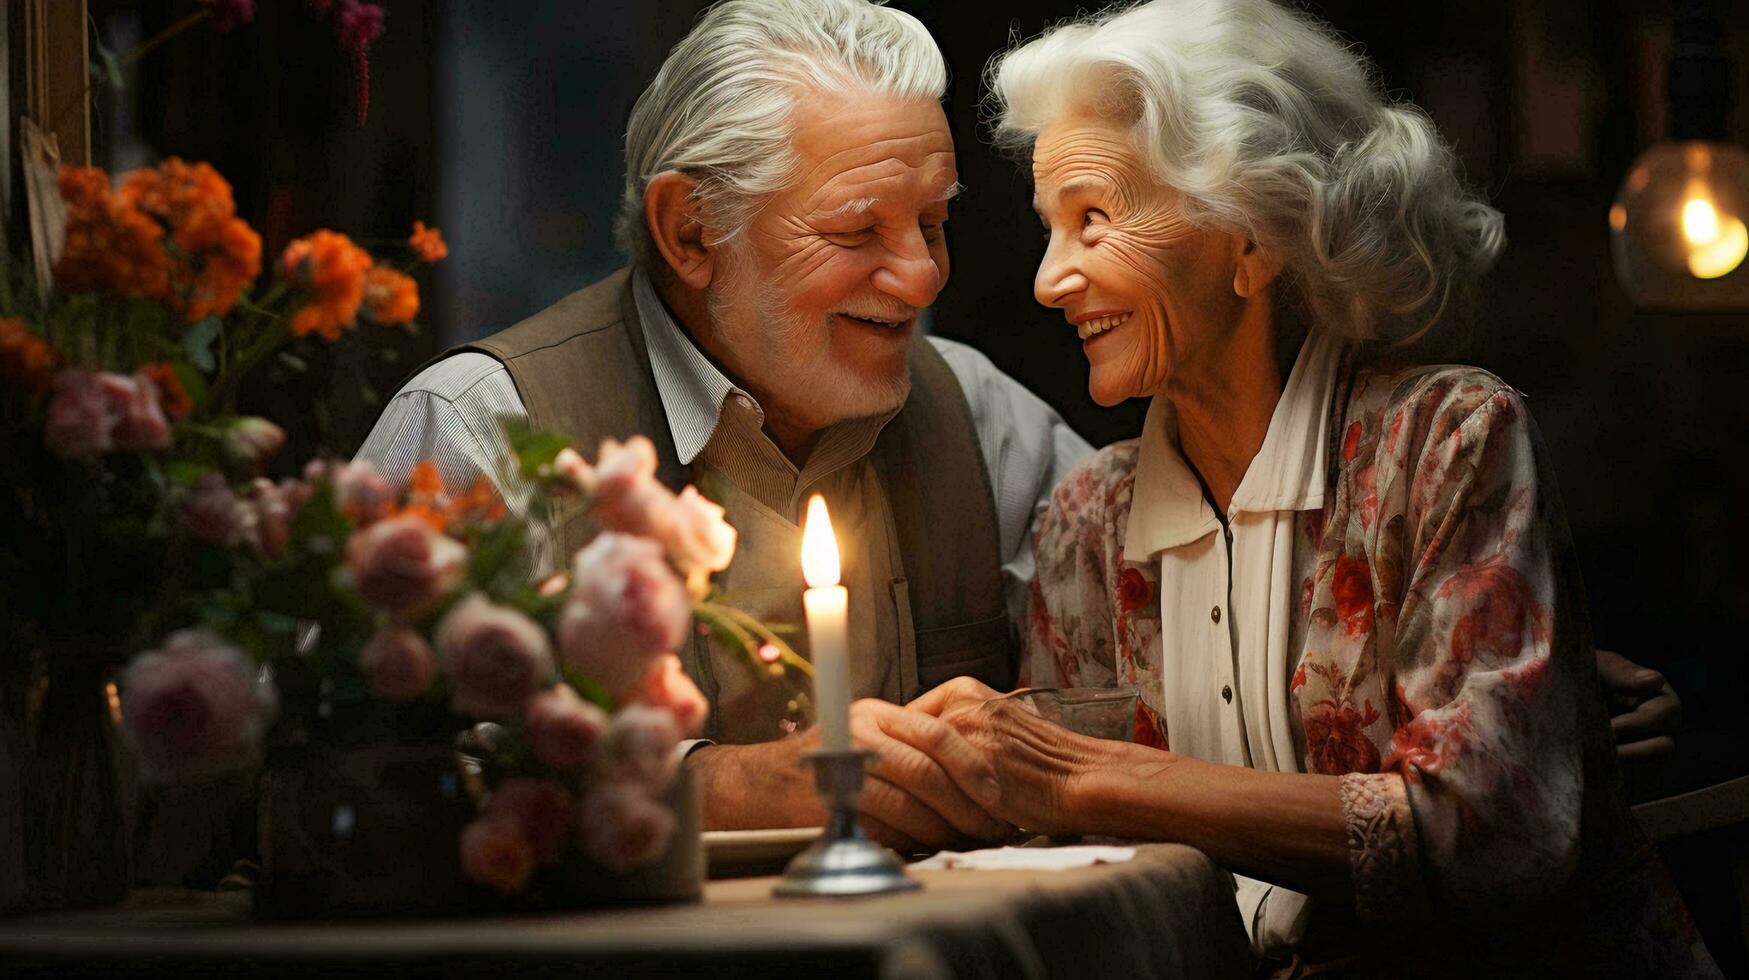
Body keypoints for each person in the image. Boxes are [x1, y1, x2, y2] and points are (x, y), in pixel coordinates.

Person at [355, 0, 1679, 859]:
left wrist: (1524, 694)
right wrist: (749, 783)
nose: (927, 277)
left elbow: (1163, 707)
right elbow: (345, 817)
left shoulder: (977, 415)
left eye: (933, 225)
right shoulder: (481, 434)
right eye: (859, 231)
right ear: (691, 232)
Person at [913, 1, 1717, 974]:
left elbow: (1490, 836)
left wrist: (1081, 775)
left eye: (1095, 219)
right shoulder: (1089, 516)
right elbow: (1080, 867)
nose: (1050, 279)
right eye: (1051, 228)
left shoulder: (1447, 440)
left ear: (1252, 237)